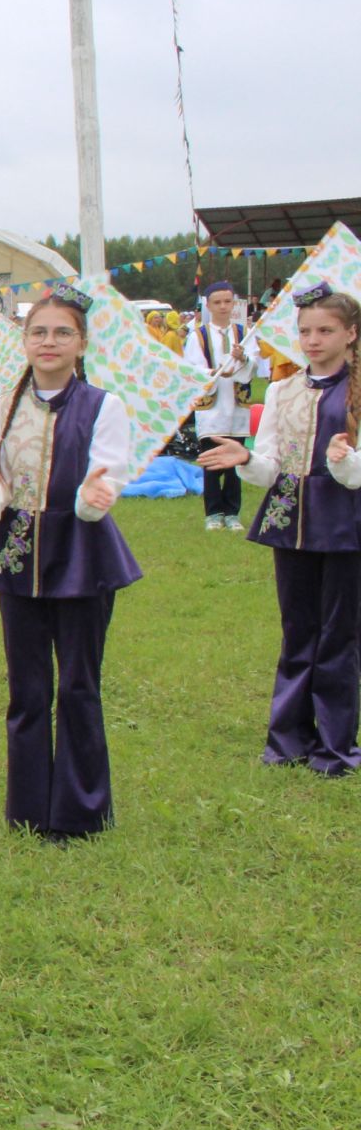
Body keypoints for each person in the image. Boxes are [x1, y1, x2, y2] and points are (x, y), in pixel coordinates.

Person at [0, 286, 140, 841]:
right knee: (28, 687)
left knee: (79, 687)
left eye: (62, 332)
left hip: (83, 553)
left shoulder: (104, 405)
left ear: (81, 343)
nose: (49, 342)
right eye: (39, 332)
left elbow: (108, 475)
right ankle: (27, 810)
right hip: (17, 554)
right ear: (24, 340)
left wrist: (94, 496)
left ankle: (81, 813)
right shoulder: (0, 407)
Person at [198, 285, 361, 776]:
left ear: (351, 334)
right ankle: (288, 740)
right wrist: (247, 458)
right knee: (298, 631)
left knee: (340, 635)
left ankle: (334, 748)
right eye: (305, 331)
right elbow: (271, 464)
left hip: (346, 521)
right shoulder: (283, 389)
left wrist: (347, 463)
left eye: (325, 331)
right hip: (290, 519)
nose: (312, 340)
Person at [183, 282, 255, 531]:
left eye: (227, 301)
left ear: (234, 304)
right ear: (209, 305)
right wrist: (211, 374)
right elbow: (191, 369)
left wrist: (243, 359)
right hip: (211, 409)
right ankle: (213, 512)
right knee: (211, 461)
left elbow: (254, 367)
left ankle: (232, 512)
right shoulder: (198, 335)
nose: (223, 307)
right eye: (217, 302)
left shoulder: (244, 333)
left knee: (235, 461)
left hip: (236, 407)